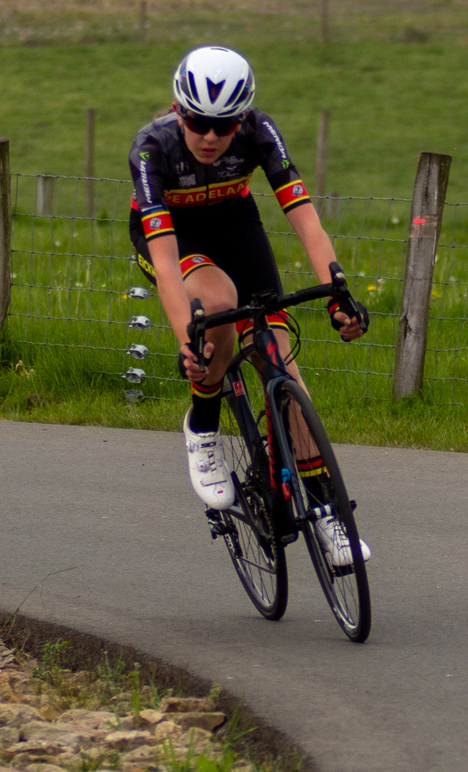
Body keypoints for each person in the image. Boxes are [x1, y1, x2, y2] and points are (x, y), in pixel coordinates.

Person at [128, 45, 371, 564]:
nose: (211, 137)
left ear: (242, 118)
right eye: (198, 122)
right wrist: (184, 340)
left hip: (236, 225)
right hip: (176, 234)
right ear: (178, 109)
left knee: (282, 366)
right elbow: (167, 264)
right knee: (218, 302)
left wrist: (338, 291)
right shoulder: (153, 148)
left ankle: (328, 512)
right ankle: (203, 425)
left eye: (225, 125)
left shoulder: (262, 132)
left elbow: (306, 219)